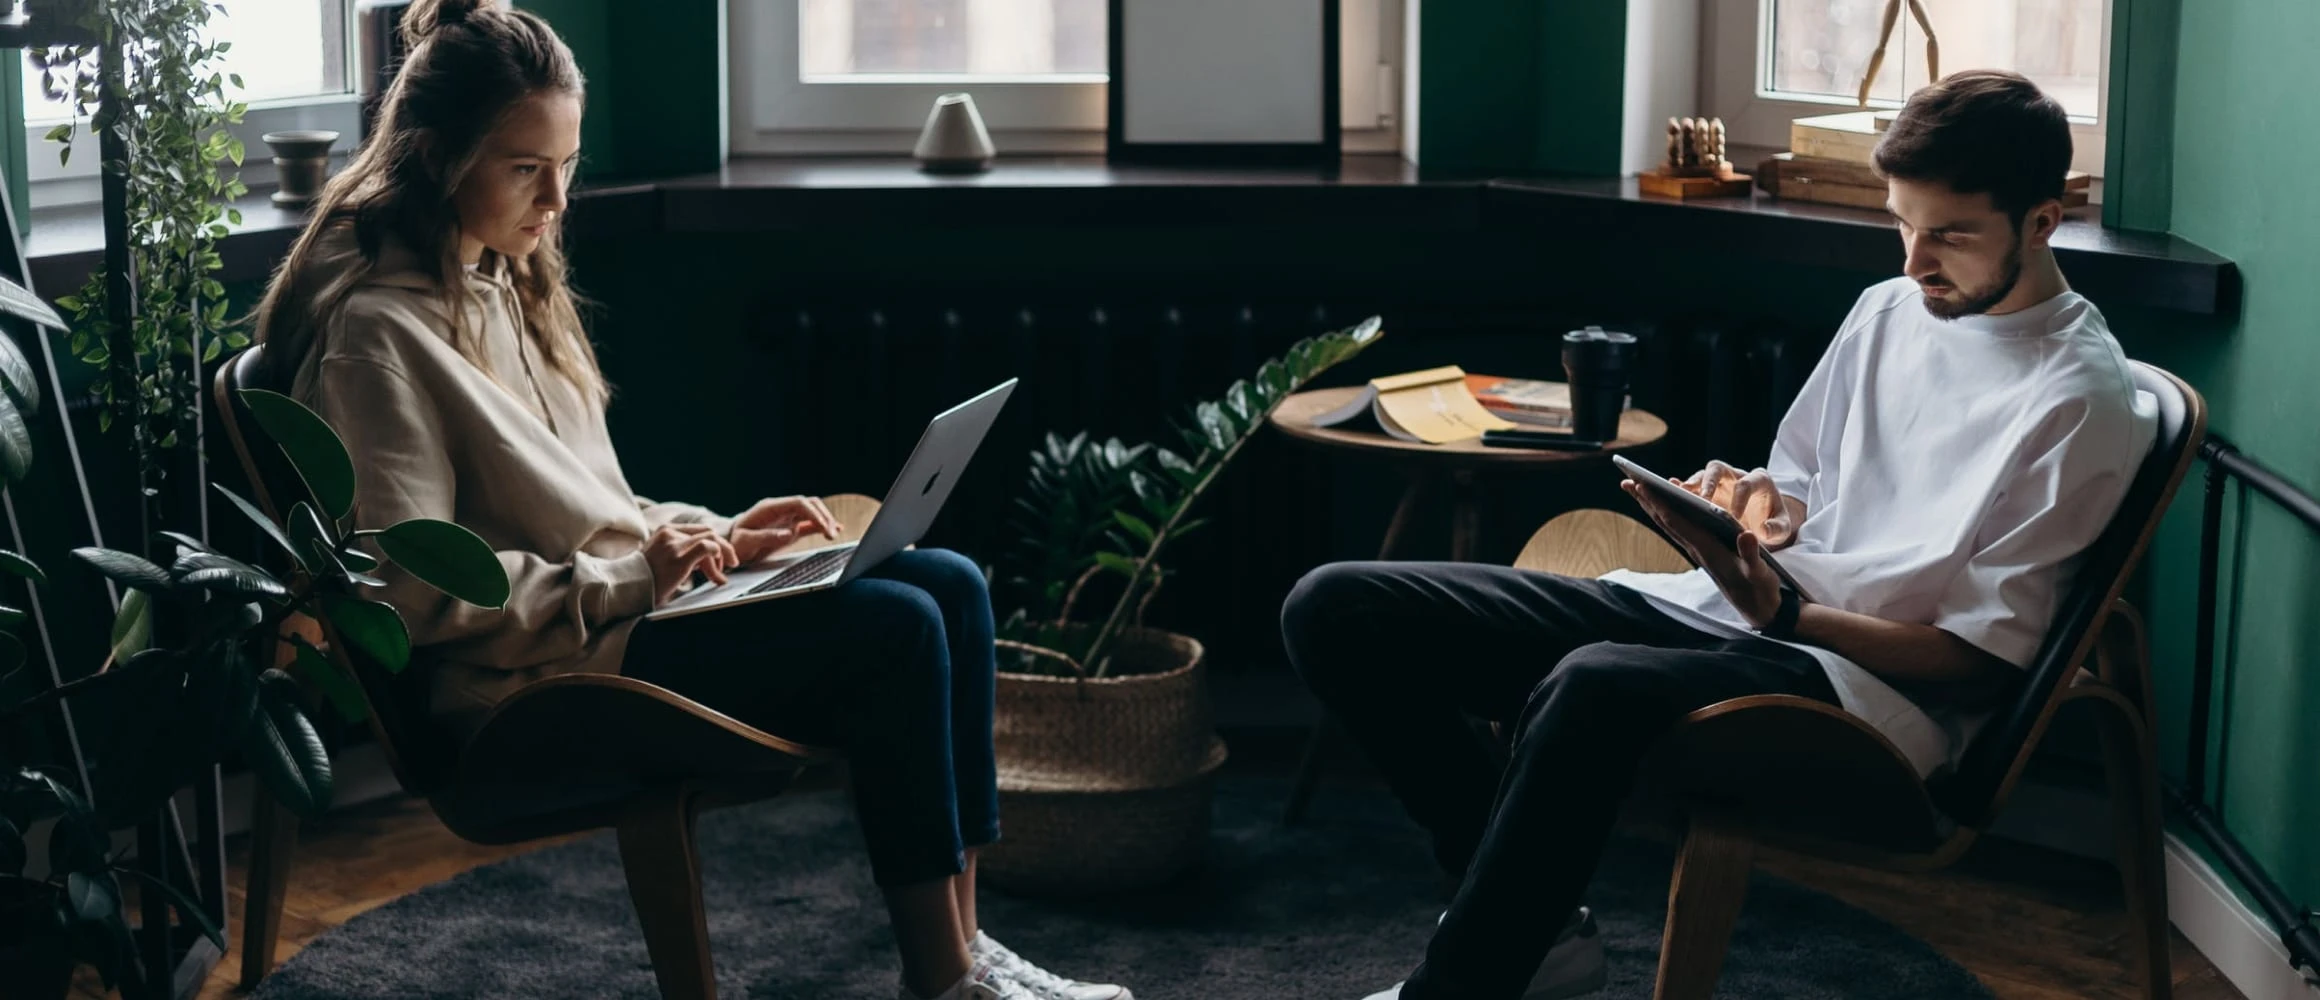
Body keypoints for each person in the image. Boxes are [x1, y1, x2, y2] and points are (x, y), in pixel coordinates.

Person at [248, 3, 1127, 998]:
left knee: (950, 583)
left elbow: (584, 506)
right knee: (892, 627)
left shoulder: (504, 280)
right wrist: (633, 573)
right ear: (438, 157)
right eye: (525, 168)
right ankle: (943, 981)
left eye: (566, 165)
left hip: (620, 626)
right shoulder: (379, 336)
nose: (557, 200)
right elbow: (405, 594)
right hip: (539, 689)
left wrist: (714, 535)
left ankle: (969, 956)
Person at [1282, 69, 2159, 1000]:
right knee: (1336, 607)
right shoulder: (1891, 310)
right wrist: (1750, 505)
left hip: (1860, 693)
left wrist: (1784, 615)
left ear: (2041, 222)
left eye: (1949, 234)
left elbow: (1982, 664)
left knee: (1592, 683)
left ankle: (1464, 982)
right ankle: (1534, 935)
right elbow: (1810, 487)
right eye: (1902, 223)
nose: (1914, 261)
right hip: (1738, 615)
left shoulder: (2082, 400)